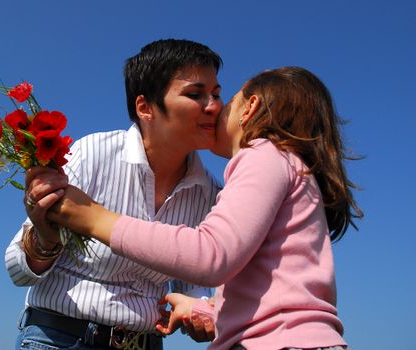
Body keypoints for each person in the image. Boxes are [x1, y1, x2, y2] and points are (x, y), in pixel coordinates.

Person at [42, 66, 364, 350]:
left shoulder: (263, 154)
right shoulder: (287, 167)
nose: (216, 109)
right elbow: (273, 291)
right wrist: (206, 310)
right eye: (198, 94)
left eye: (228, 98)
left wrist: (95, 218)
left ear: (249, 108)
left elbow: (211, 255)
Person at [5, 38, 224, 350]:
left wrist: (202, 311)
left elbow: (196, 286)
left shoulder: (211, 193)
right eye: (195, 94)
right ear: (145, 107)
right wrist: (44, 235)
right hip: (60, 339)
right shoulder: (94, 152)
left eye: (216, 94)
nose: (214, 106)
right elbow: (17, 269)